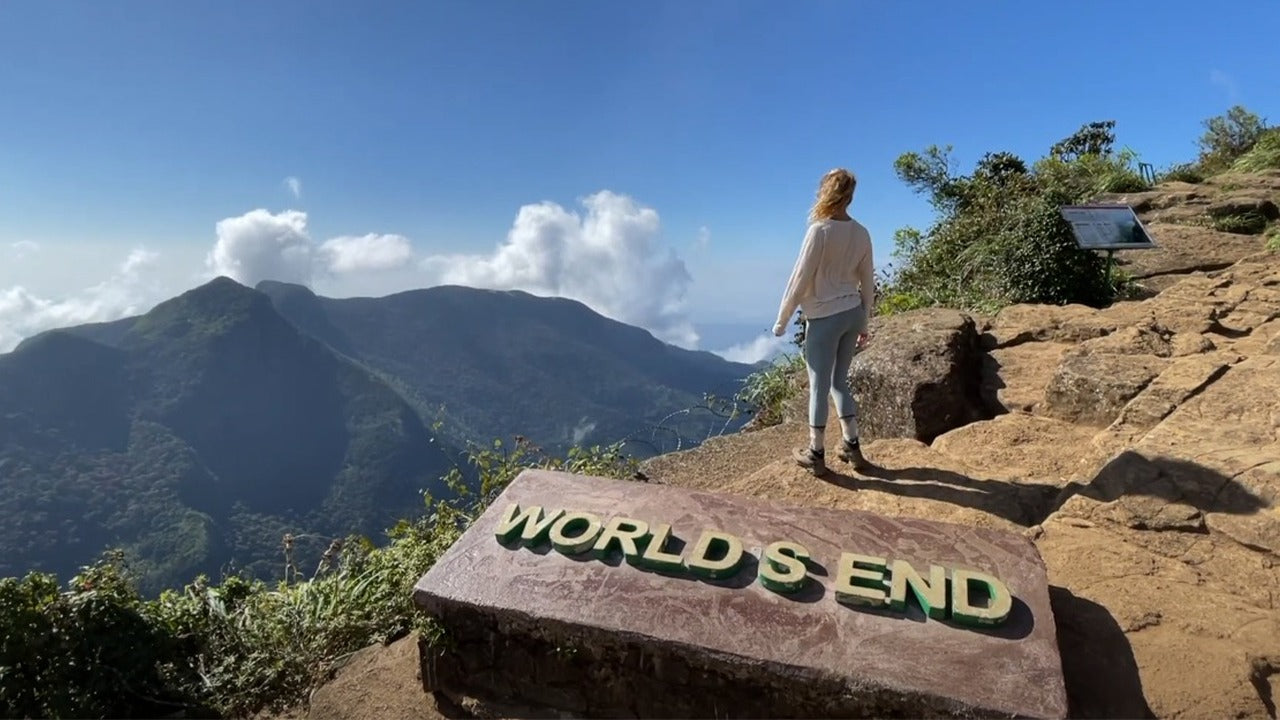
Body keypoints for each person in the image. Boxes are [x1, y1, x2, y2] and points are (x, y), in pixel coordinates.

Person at [772, 168, 875, 476]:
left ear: (826, 192)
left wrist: (782, 320)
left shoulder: (820, 231)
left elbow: (799, 279)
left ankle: (816, 453)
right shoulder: (862, 233)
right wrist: (864, 322)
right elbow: (867, 281)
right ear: (851, 195)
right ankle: (852, 447)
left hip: (824, 316)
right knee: (839, 382)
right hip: (852, 312)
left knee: (819, 386)